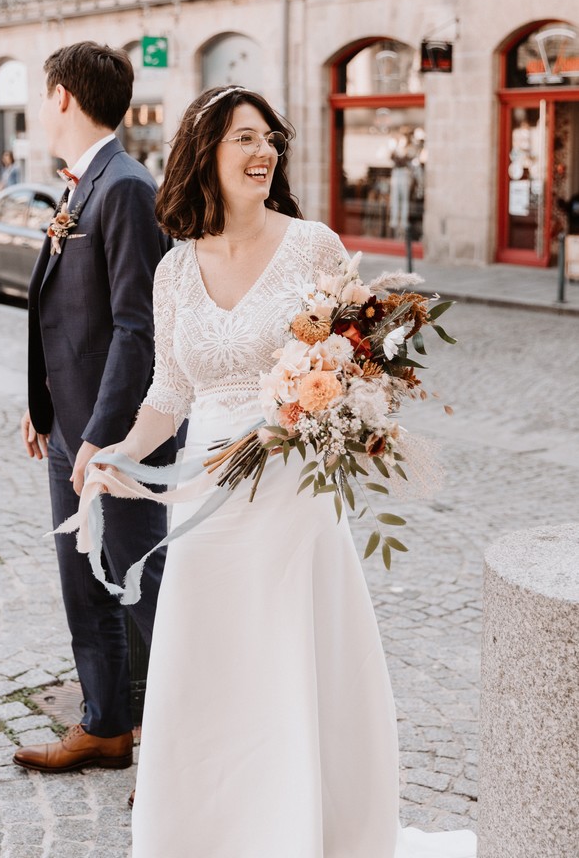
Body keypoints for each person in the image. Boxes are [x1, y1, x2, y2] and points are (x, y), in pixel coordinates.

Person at [91, 86, 477, 856]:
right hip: (205, 497)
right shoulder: (172, 271)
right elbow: (169, 392)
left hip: (294, 493)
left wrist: (307, 416)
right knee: (211, 664)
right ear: (204, 153)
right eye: (244, 138)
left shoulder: (313, 247)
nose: (264, 151)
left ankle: (303, 832)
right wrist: (121, 453)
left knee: (289, 659)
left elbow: (361, 368)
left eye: (270, 138)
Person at [15, 41, 175, 776]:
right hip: (67, 429)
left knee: (142, 586)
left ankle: (187, 749)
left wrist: (106, 437)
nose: (36, 106)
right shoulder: (84, 185)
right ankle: (104, 725)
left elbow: (136, 327)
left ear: (61, 98)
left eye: (38, 93)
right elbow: (64, 314)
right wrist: (43, 407)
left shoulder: (126, 188)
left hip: (116, 441)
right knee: (82, 586)